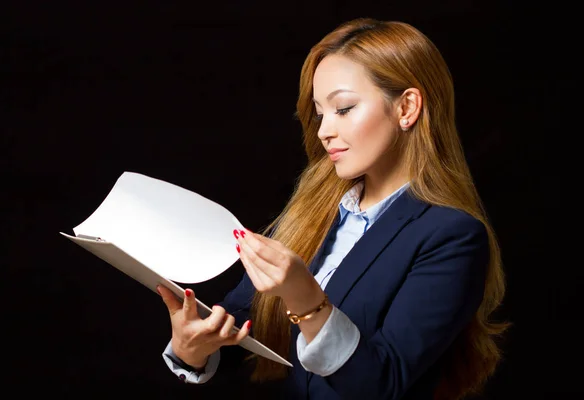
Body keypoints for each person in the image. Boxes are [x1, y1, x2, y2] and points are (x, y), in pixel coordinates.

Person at [156, 18, 509, 400]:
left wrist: (305, 298)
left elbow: (381, 384)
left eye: (343, 108)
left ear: (406, 107)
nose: (324, 129)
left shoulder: (451, 236)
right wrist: (191, 350)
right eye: (320, 112)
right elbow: (240, 335)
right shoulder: (310, 212)